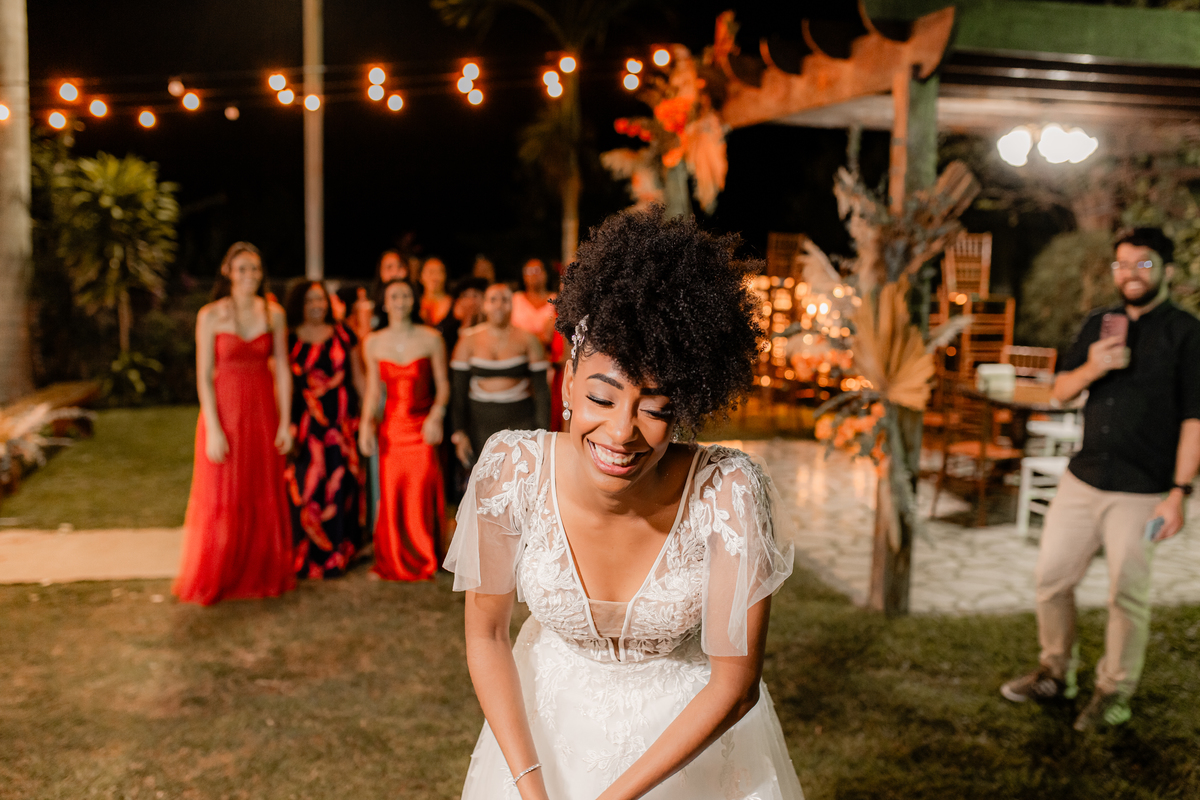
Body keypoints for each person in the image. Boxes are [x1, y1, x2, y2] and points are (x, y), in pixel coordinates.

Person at [444, 207, 803, 800]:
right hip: (539, 745)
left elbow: (735, 686)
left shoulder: (729, 493)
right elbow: (486, 637)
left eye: (654, 408)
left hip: (687, 756)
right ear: (568, 382)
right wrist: (531, 786)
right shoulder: (511, 471)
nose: (621, 432)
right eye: (601, 398)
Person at [1001, 227, 1200, 731]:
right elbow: (1061, 391)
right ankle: (1055, 672)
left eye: (1143, 263)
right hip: (1083, 479)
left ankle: (1114, 691)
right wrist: (1093, 367)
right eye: (1122, 264)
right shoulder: (1098, 324)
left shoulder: (1187, 333)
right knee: (1050, 579)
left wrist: (1179, 493)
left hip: (1143, 490)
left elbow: (1195, 419)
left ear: (1168, 269)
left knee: (1126, 594)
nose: (1130, 273)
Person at [174, 242, 295, 605]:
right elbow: (204, 375)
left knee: (260, 487)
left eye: (255, 269)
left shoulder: (273, 313)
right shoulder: (210, 315)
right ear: (228, 272)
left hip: (262, 412)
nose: (249, 275)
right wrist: (212, 426)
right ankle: (222, 570)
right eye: (242, 268)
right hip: (224, 414)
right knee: (222, 491)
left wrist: (285, 421)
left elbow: (283, 369)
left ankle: (260, 568)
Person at [359, 279, 450, 581]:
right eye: (394, 296)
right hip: (391, 430)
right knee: (392, 493)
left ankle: (426, 557)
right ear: (385, 303)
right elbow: (373, 391)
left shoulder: (431, 338)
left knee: (420, 492)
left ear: (414, 300)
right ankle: (392, 558)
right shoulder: (373, 342)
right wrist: (365, 426)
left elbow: (443, 385)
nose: (400, 301)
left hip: (422, 428)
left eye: (406, 295)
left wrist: (437, 415)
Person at [283, 280, 366, 579]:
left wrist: (368, 416)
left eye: (320, 299)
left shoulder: (344, 334)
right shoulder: (289, 339)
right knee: (307, 489)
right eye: (309, 300)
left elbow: (358, 378)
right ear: (299, 304)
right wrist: (285, 424)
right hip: (306, 426)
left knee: (341, 488)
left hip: (341, 425)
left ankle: (339, 554)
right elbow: (285, 386)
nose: (316, 305)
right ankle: (307, 557)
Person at [449, 283, 550, 467]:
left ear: (512, 304)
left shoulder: (529, 340)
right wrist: (459, 433)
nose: (499, 305)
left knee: (520, 478)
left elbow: (542, 391)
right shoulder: (468, 341)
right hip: (479, 426)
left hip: (521, 424)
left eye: (505, 300)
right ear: (484, 305)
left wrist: (542, 432)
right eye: (493, 300)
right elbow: (458, 392)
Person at [437, 276, 488, 357]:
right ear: (457, 302)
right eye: (465, 296)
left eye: (475, 296)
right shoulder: (449, 332)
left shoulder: (492, 329)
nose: (471, 301)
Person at [419, 256, 453, 326]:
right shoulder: (413, 304)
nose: (435, 277)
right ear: (420, 277)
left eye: (439, 272)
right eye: (431, 272)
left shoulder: (455, 305)